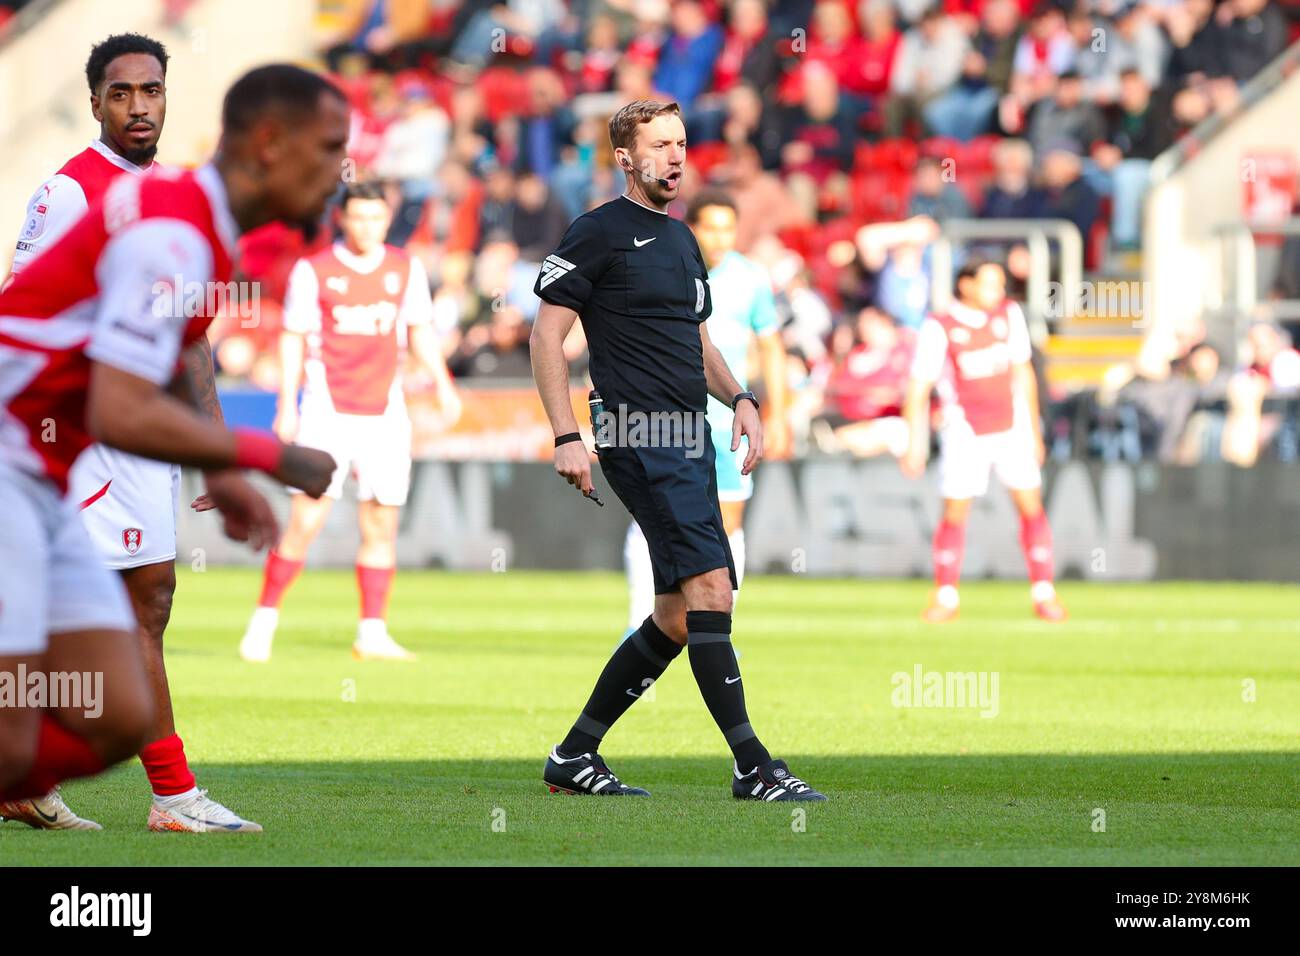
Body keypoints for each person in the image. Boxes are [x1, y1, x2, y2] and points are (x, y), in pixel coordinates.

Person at [0, 63, 343, 822]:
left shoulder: (195, 221)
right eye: (329, 149)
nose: (339, 172)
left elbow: (175, 357)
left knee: (115, 711)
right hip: (23, 457)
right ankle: (165, 797)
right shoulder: (168, 225)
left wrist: (218, 472)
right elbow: (118, 407)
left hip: (42, 464)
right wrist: (268, 456)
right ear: (269, 143)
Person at [530, 99, 825, 802]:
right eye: (659, 144)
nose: (674, 155)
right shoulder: (597, 232)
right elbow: (545, 338)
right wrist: (567, 434)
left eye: (681, 143)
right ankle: (754, 767)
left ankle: (574, 755)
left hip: (688, 434)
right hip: (637, 432)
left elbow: (697, 342)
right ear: (625, 158)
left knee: (674, 615)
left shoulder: (683, 240)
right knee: (712, 591)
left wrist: (744, 400)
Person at [3, 34, 250, 833]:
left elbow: (192, 334)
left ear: (167, 94)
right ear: (96, 102)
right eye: (121, 94)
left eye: (150, 90)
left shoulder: (173, 194)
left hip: (150, 434)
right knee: (139, 605)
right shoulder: (71, 192)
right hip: (93, 435)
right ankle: (173, 795)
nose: (139, 106)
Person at [239, 182, 461, 663]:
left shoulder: (405, 269)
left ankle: (372, 632)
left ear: (387, 218)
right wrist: (287, 405)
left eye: (376, 218)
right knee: (306, 519)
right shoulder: (313, 271)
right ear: (342, 218)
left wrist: (442, 383)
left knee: (381, 523)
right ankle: (264, 620)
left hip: (385, 411)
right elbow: (294, 337)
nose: (367, 227)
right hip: (326, 410)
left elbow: (419, 330)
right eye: (358, 217)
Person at [624, 188, 787, 631]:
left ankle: (717, 626)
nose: (719, 238)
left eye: (728, 228)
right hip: (670, 419)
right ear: (689, 226)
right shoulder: (662, 270)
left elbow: (771, 347)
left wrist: (780, 414)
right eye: (710, 227)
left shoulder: (752, 278)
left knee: (728, 524)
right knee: (654, 521)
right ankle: (640, 623)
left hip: (728, 423)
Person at [900, 259, 1067, 623]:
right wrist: (916, 440)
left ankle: (1044, 592)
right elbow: (919, 386)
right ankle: (946, 595)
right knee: (955, 512)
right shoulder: (940, 326)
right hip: (964, 429)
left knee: (1031, 506)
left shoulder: (1009, 315)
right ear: (966, 285)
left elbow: (1023, 371)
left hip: (1012, 425)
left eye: (1001, 284)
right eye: (991, 283)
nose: (1000, 291)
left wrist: (1035, 430)